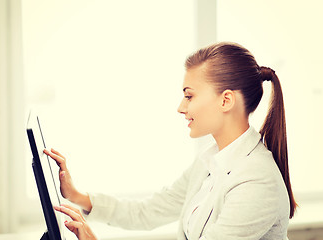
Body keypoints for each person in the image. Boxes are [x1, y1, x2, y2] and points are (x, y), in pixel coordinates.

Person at [44, 42, 297, 240]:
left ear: (226, 100)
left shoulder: (256, 182)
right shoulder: (210, 161)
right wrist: (77, 196)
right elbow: (148, 211)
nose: (180, 107)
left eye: (189, 96)